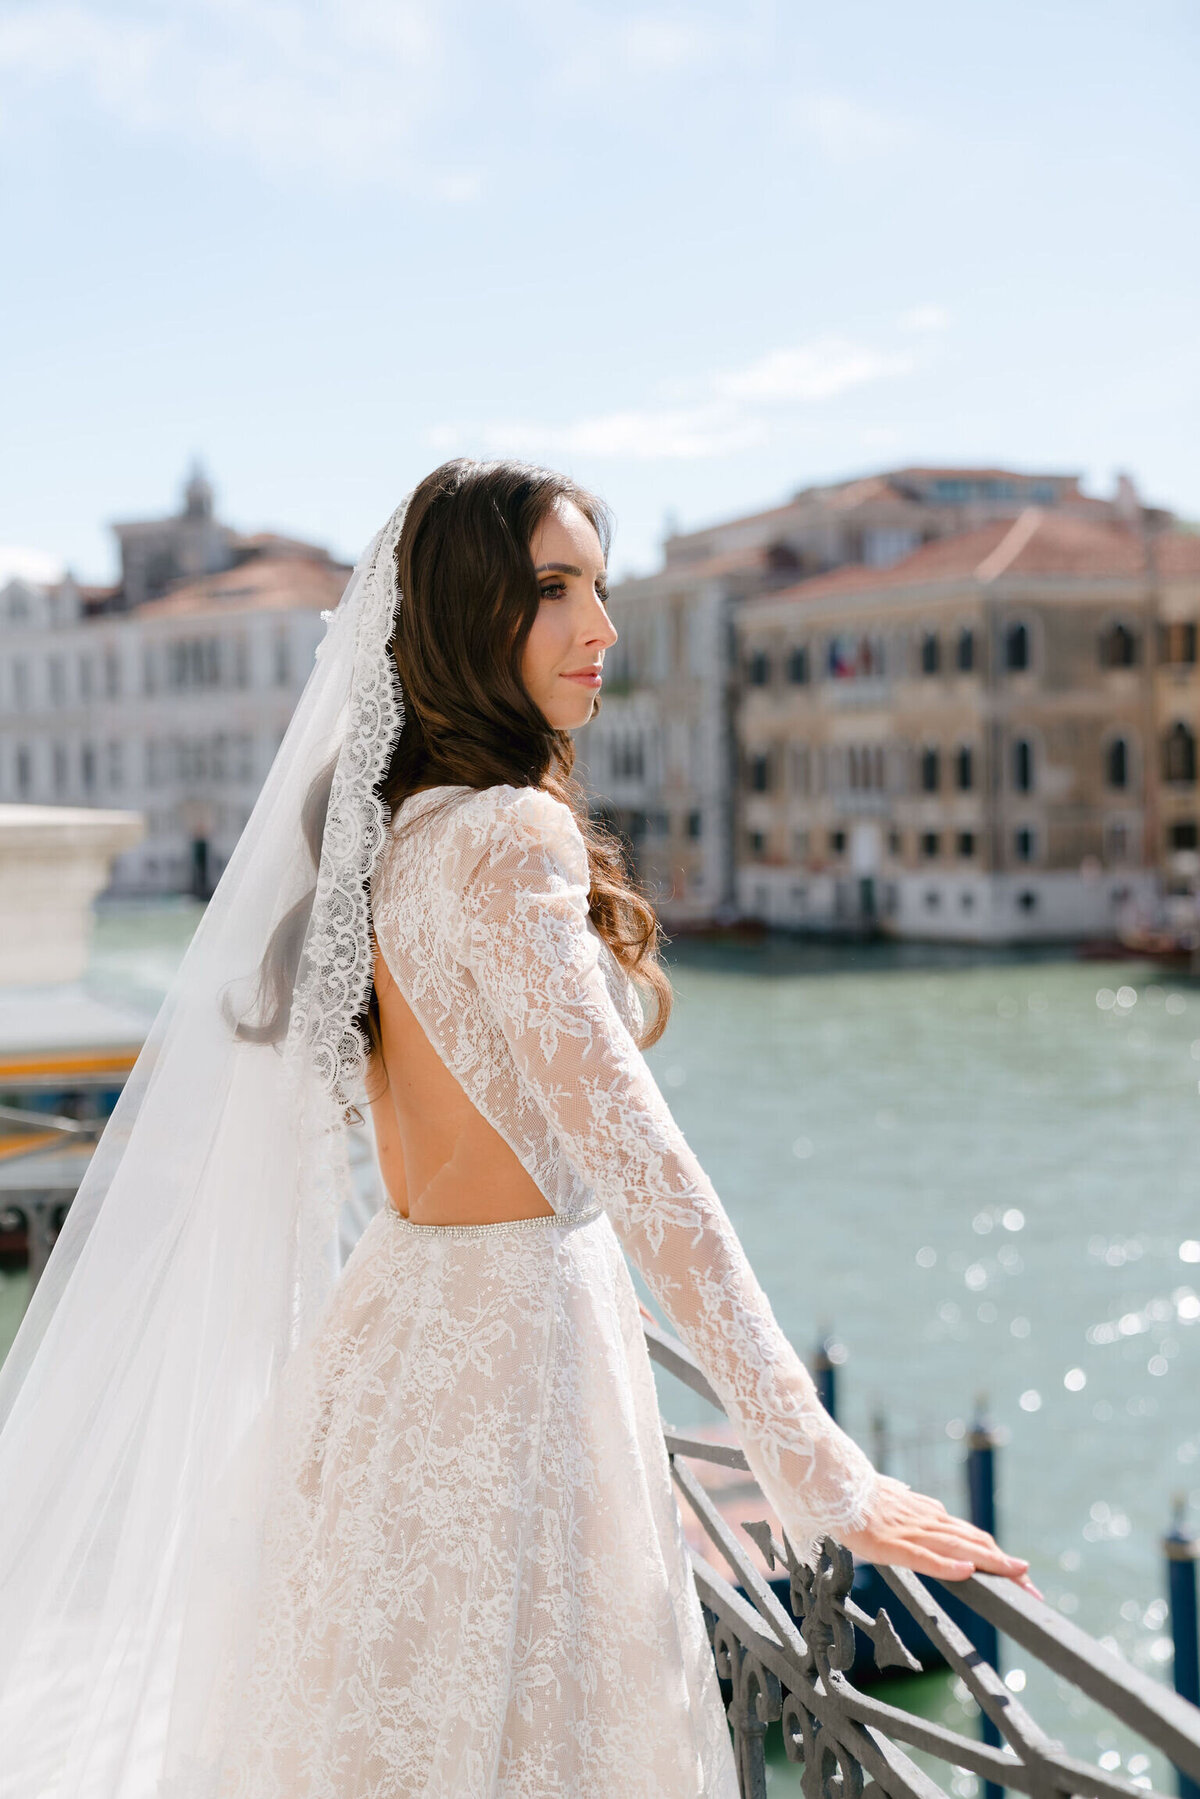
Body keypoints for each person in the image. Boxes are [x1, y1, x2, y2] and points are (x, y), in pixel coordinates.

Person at [0, 459, 1031, 1799]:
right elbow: (641, 1162)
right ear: (464, 614)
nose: (601, 628)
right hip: (522, 1370)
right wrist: (811, 1458)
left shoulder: (393, 837)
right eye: (555, 590)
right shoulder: (507, 838)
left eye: (600, 586)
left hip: (393, 1347)